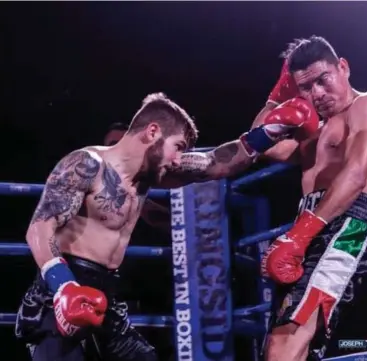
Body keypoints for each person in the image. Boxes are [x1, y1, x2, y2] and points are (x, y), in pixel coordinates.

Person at [15, 91, 319, 361]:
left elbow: (218, 162)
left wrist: (272, 130)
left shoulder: (149, 175)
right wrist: (63, 286)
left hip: (108, 295)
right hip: (61, 288)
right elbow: (39, 228)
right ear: (152, 132)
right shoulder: (88, 163)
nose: (178, 159)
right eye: (178, 146)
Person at [255, 36, 367, 361]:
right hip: (310, 228)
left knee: (285, 345)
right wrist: (275, 98)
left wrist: (297, 237)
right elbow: (259, 144)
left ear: (343, 68)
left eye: (324, 79)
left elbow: (355, 175)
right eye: (305, 87)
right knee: (286, 347)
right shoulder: (315, 132)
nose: (317, 93)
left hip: (348, 227)